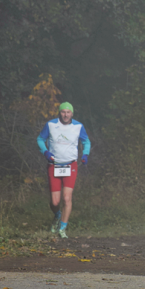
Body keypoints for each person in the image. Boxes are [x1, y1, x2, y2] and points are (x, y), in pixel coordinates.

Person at [36, 102, 91, 239]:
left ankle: (62, 228)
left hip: (70, 166)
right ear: (59, 113)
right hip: (54, 165)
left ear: (72, 113)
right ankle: (57, 215)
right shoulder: (51, 125)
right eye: (63, 112)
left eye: (68, 112)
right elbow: (40, 139)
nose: (65, 115)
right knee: (55, 202)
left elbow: (86, 142)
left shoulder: (78, 126)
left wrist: (85, 154)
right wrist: (45, 152)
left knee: (67, 198)